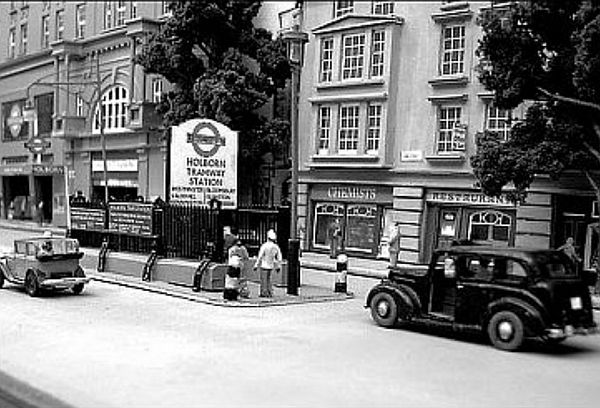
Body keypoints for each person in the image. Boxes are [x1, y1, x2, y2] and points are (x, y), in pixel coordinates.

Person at [254, 229, 282, 298]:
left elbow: (260, 256)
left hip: (264, 265)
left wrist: (256, 265)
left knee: (263, 280)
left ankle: (264, 293)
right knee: (269, 279)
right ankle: (270, 292)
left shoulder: (264, 246)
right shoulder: (276, 247)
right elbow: (279, 257)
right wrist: (278, 266)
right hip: (271, 265)